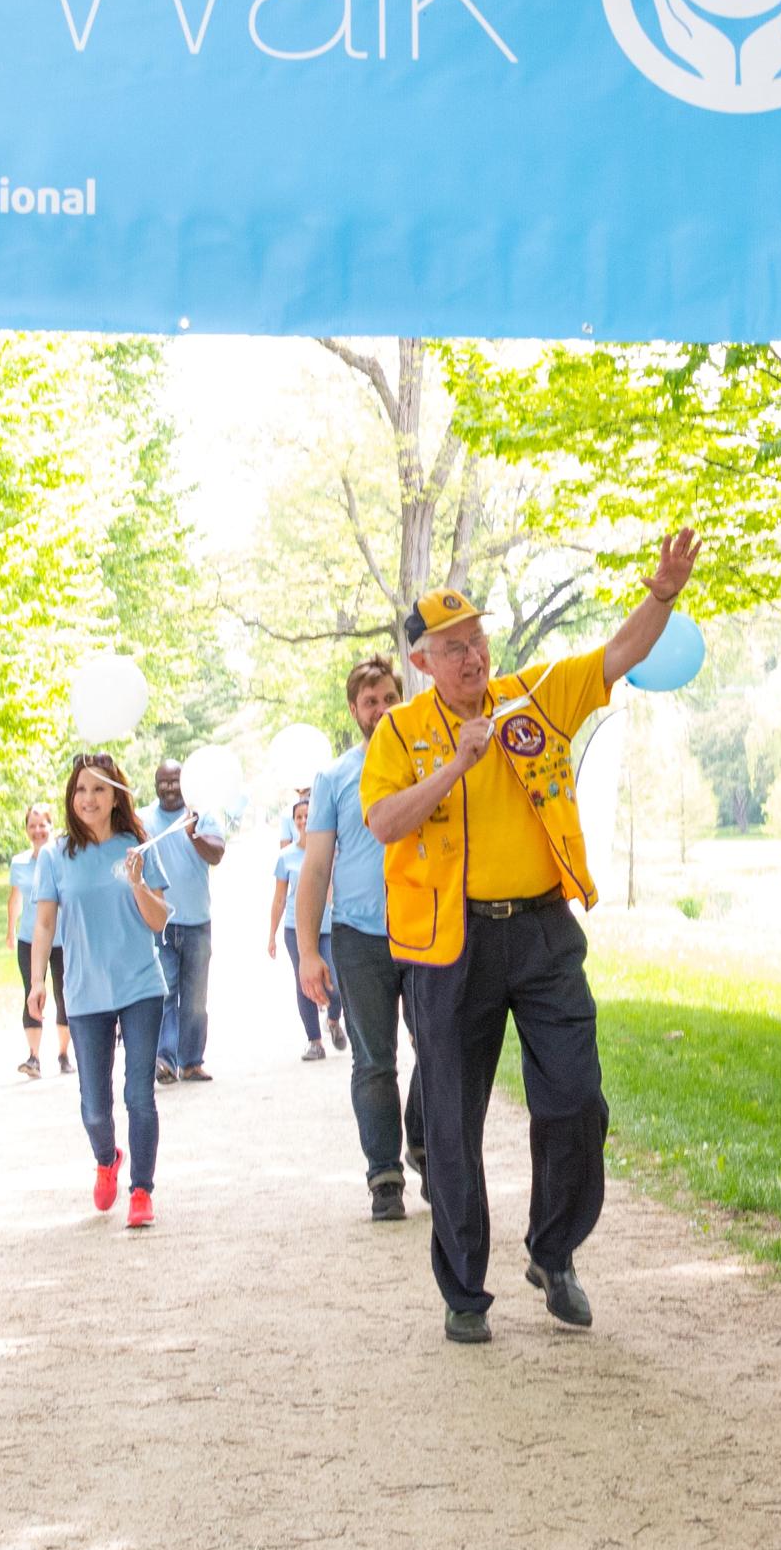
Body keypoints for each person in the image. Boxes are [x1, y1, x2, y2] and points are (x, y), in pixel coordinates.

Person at [367, 535, 698, 1342]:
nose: (473, 656)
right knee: (452, 1122)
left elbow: (617, 654)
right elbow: (383, 822)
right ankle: (464, 1294)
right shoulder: (401, 734)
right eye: (453, 648)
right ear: (422, 663)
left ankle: (555, 1253)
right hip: (452, 949)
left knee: (578, 1099)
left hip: (544, 930)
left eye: (477, 640)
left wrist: (661, 595)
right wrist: (451, 767)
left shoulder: (533, 695)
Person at [295, 655, 420, 1218]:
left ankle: (423, 1143)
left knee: (441, 1051)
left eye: (390, 697)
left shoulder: (426, 760)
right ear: (354, 711)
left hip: (426, 929)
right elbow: (316, 868)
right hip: (358, 937)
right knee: (374, 1059)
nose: (382, 709)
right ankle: (384, 1177)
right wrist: (306, 952)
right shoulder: (335, 777)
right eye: (371, 702)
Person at [40, 751, 175, 1223]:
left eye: (99, 788)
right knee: (95, 1106)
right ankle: (106, 1159)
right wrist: (36, 982)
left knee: (139, 1094)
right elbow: (43, 924)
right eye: (81, 789)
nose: (88, 798)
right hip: (83, 993)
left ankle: (142, 1191)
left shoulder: (138, 847)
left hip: (140, 986)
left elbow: (159, 920)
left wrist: (139, 883)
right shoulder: (55, 855)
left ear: (116, 795)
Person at [147, 759, 230, 1082]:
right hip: (160, 924)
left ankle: (192, 1061)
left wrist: (193, 835)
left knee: (195, 1000)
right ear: (155, 785)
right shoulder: (144, 818)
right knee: (165, 993)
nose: (169, 787)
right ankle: (165, 1060)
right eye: (163, 782)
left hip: (197, 921)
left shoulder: (202, 815)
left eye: (174, 781)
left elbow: (217, 854)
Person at [270, 791, 332, 1058]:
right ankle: (314, 1040)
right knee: (304, 982)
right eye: (299, 817)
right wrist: (271, 934)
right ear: (294, 821)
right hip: (296, 927)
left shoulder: (331, 850)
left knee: (336, 981)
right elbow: (279, 898)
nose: (304, 820)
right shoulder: (286, 857)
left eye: (308, 815)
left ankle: (333, 1019)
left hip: (328, 925)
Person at [8, 804, 60, 1080]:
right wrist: (9, 930)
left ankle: (64, 1054)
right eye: (33, 826)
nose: (38, 830)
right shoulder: (19, 863)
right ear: (26, 829)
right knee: (31, 993)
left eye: (43, 825)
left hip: (62, 938)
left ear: (51, 827)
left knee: (65, 995)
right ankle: (34, 1057)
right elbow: (15, 898)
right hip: (29, 938)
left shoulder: (63, 858)